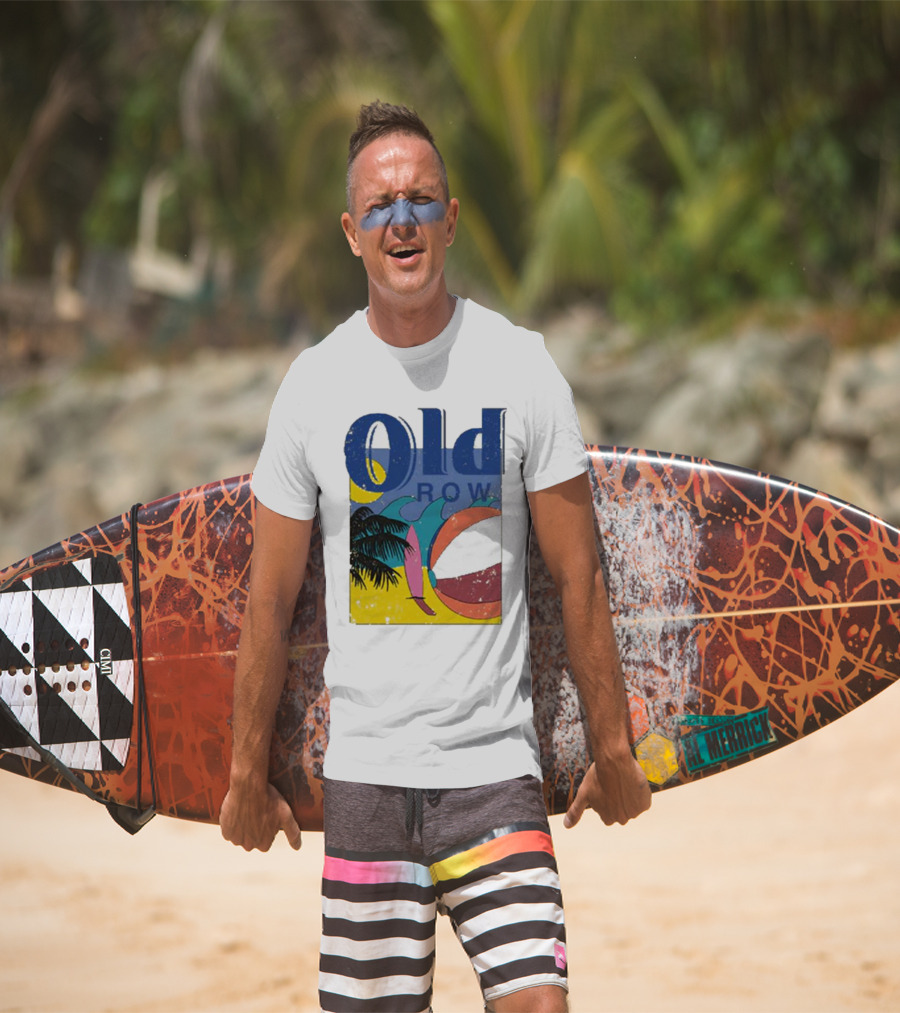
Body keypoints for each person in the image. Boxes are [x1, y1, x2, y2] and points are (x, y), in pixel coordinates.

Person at [220, 100, 651, 1013]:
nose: (402, 220)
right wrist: (242, 773)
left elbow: (580, 574)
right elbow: (269, 600)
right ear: (351, 232)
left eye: (421, 200)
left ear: (451, 219)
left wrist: (612, 746)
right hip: (368, 779)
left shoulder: (521, 367)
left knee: (540, 1003)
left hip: (495, 773)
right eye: (380, 206)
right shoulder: (315, 387)